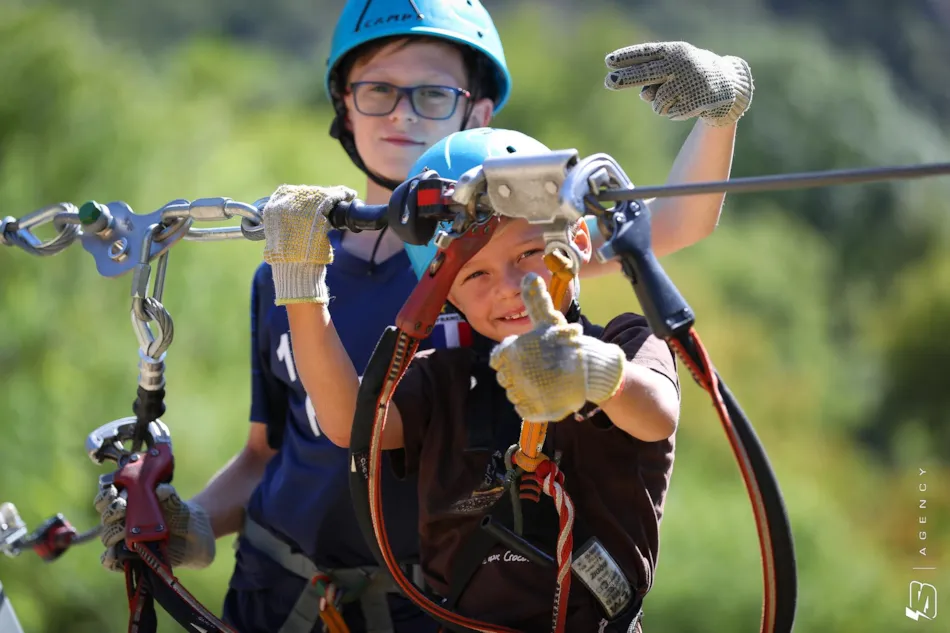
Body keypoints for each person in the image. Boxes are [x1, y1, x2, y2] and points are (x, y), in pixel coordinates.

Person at [92, 0, 754, 630]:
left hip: (430, 601)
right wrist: (191, 523)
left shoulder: (513, 251)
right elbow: (270, 452)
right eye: (377, 90)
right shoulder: (290, 271)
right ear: (344, 107)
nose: (401, 113)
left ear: (478, 111)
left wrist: (718, 112)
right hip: (274, 592)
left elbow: (675, 221)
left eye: (432, 95)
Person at [259, 127, 682, 633]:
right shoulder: (445, 380)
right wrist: (300, 282)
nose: (508, 288)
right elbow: (350, 421)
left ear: (579, 242)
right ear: (447, 295)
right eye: (475, 275)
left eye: (528, 254)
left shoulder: (623, 345)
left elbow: (657, 413)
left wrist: (592, 372)